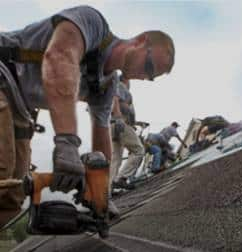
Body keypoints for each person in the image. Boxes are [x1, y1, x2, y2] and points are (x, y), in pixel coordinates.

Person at [0, 5, 175, 227]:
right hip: (4, 74)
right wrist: (67, 144)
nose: (144, 76)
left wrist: (100, 190)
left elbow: (102, 138)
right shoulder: (91, 23)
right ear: (141, 41)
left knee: (11, 197)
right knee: (2, 173)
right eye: (148, 66)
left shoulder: (106, 85)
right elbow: (59, 58)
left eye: (150, 77)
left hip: (20, 109)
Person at [110, 75, 144, 191]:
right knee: (138, 150)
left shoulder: (112, 88)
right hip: (121, 122)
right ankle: (121, 178)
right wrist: (125, 116)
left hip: (111, 125)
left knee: (116, 158)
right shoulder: (121, 86)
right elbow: (119, 102)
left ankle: (109, 189)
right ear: (126, 79)